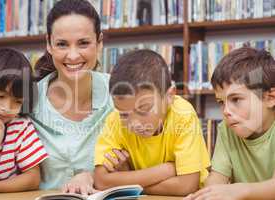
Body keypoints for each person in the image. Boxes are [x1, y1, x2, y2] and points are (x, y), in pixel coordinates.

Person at [94, 49, 211, 196]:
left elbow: (187, 186)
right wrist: (165, 170)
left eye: (144, 109)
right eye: (124, 114)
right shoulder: (114, 119)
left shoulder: (183, 115)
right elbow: (101, 181)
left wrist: (127, 180)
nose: (134, 124)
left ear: (169, 96)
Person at [30, 0, 113, 194]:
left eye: (83, 43)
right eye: (62, 44)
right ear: (49, 45)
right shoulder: (26, 100)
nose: (73, 55)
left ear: (99, 43)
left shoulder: (120, 94)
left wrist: (91, 176)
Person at [185, 47, 275, 200]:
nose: (226, 111)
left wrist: (239, 191)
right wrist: (206, 195)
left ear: (270, 98)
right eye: (221, 102)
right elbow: (217, 177)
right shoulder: (227, 129)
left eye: (236, 99)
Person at [0, 48, 48, 194]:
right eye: (0, 96)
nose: (7, 108)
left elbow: (33, 178)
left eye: (17, 101)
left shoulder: (21, 127)